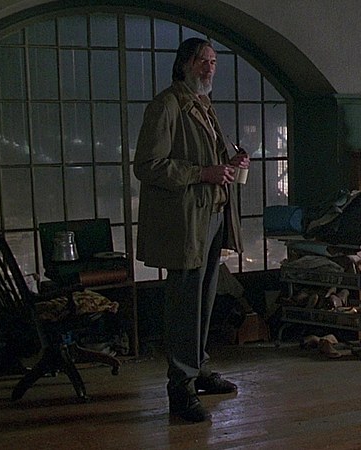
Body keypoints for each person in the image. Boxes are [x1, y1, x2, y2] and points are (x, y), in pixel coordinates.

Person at [134, 37, 249, 423]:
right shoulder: (167, 105)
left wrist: (231, 161)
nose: (210, 68)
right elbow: (147, 165)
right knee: (185, 302)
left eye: (214, 62)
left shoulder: (203, 105)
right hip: (185, 220)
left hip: (211, 215)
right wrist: (202, 173)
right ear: (184, 64)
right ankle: (180, 388)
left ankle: (197, 369)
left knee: (205, 297)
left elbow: (209, 158)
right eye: (203, 61)